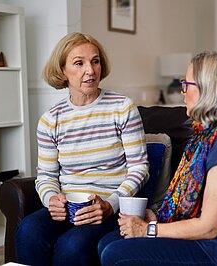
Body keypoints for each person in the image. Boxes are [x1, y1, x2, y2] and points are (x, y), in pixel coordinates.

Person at [98, 51, 217, 266]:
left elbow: (209, 227)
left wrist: (148, 230)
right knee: (108, 241)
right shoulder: (207, 135)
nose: (182, 92)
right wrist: (156, 218)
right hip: (205, 241)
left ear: (210, 89)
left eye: (187, 84)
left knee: (115, 253)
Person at [15, 32, 149, 266]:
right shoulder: (50, 119)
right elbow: (46, 176)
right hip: (68, 206)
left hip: (106, 208)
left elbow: (140, 169)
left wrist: (110, 204)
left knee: (72, 246)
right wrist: (51, 200)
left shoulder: (122, 108)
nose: (90, 70)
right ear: (62, 71)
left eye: (95, 61)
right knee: (27, 230)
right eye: (79, 63)